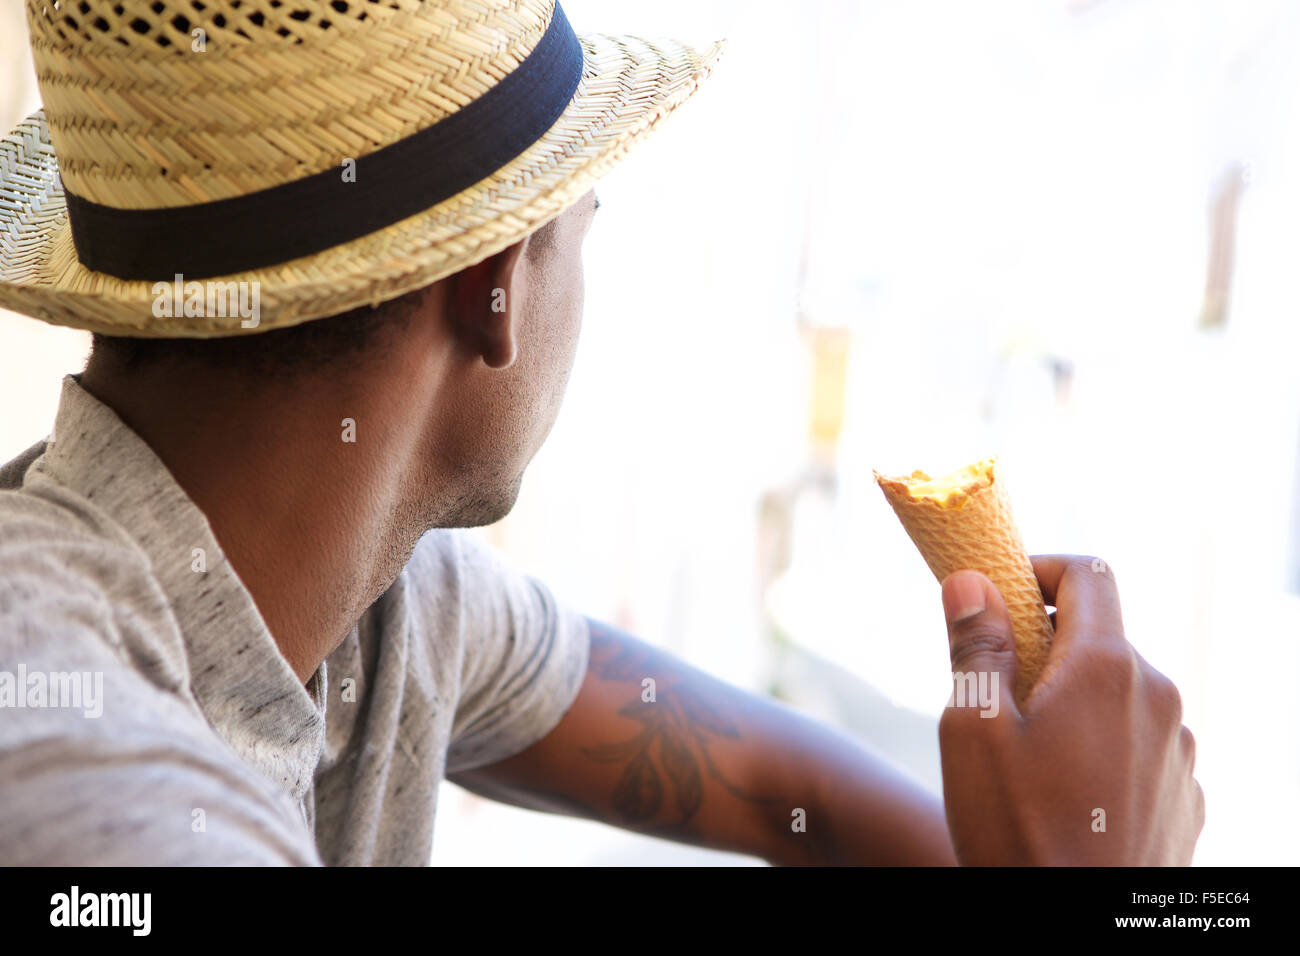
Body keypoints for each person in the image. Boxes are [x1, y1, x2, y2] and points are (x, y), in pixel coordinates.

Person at [0, 0, 1201, 865]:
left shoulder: (378, 608)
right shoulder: (90, 785)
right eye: (583, 219)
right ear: (496, 289)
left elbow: (800, 793)